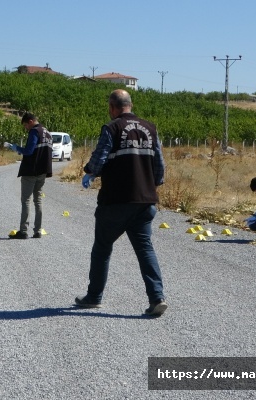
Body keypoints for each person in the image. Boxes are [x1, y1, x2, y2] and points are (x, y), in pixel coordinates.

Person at [76, 89, 168, 317]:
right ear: (131, 104)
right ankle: (157, 298)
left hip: (116, 201)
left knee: (102, 249)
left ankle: (94, 297)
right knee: (145, 249)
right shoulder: (150, 128)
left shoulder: (112, 128)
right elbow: (160, 166)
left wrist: (89, 172)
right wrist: (150, 185)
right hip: (145, 201)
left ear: (112, 107)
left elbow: (100, 157)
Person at [5, 112, 53, 239]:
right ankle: (38, 230)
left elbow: (28, 151)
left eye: (26, 125)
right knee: (38, 200)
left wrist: (15, 148)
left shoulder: (34, 132)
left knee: (26, 200)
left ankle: (23, 231)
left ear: (31, 121)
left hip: (31, 171)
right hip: (43, 172)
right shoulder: (47, 133)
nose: (26, 128)